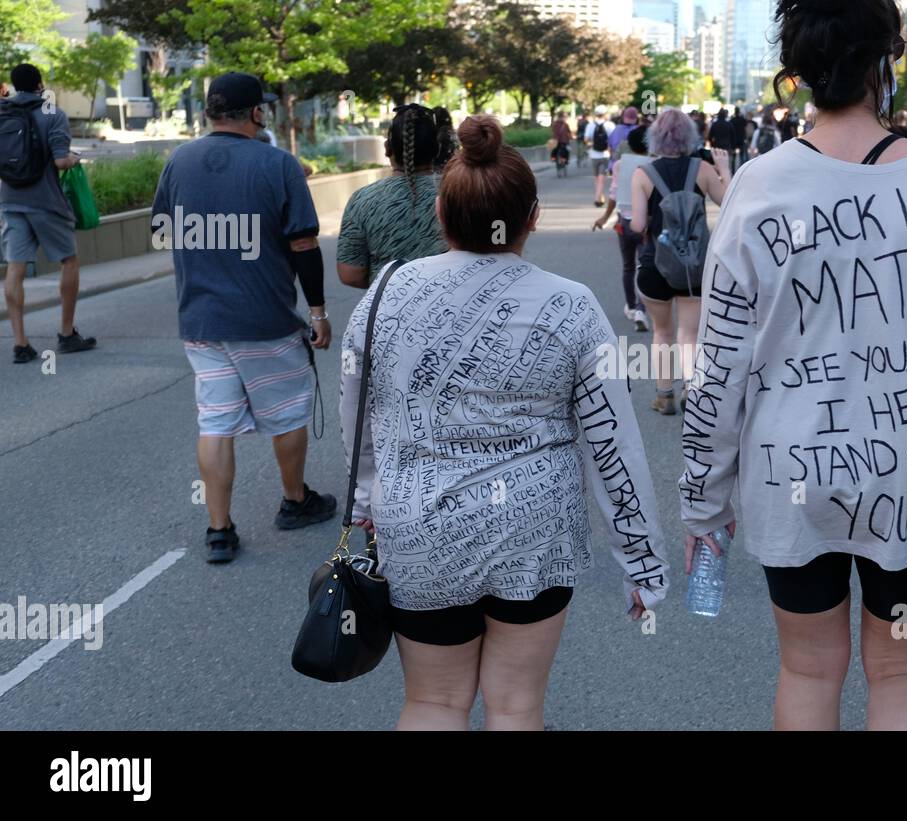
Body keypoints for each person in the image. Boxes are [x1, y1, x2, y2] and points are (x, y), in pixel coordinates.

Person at [680, 0, 907, 731]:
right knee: (904, 672)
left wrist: (703, 504)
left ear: (798, 69)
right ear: (889, 58)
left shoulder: (758, 185)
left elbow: (718, 370)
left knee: (808, 668)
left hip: (792, 467)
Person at [340, 115, 669, 730]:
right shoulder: (571, 304)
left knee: (432, 701)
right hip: (535, 526)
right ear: (533, 217)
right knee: (517, 704)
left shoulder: (385, 294)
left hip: (419, 522)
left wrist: (364, 503)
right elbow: (612, 443)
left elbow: (360, 412)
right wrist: (641, 560)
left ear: (442, 215)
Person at [152, 72, 338, 563]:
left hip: (202, 324)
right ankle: (295, 501)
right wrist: (317, 311)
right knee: (288, 412)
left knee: (214, 421)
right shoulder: (279, 164)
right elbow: (303, 246)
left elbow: (162, 232)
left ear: (209, 112)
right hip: (266, 321)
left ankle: (219, 530)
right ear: (257, 113)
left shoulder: (178, 161)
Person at [630, 108, 730, 415]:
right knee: (690, 333)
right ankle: (691, 386)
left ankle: (664, 395)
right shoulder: (701, 169)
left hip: (655, 264)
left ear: (655, 137)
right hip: (695, 265)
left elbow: (637, 225)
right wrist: (724, 168)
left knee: (662, 332)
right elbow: (731, 203)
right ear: (690, 136)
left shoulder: (643, 173)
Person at [2, 64, 96, 364]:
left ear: (14, 85)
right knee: (69, 261)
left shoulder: (2, 113)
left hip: (10, 201)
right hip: (46, 202)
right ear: (40, 84)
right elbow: (59, 161)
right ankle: (67, 334)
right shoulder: (52, 114)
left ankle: (20, 343)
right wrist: (74, 159)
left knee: (15, 269)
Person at [336, 104, 456, 288]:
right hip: (451, 308)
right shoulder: (458, 194)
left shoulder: (362, 200)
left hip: (386, 309)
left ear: (387, 148)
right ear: (437, 149)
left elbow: (350, 274)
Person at [593, 125, 652, 331]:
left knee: (628, 267)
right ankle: (641, 309)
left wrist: (603, 217)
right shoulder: (654, 164)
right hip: (646, 224)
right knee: (645, 267)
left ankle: (631, 305)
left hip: (624, 223)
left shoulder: (619, 165)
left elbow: (613, 194)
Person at [585, 105, 615, 206]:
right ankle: (598, 198)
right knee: (602, 178)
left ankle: (598, 197)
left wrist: (592, 143)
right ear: (605, 114)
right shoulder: (610, 125)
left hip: (593, 155)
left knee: (597, 178)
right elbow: (613, 140)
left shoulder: (590, 125)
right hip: (606, 155)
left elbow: (586, 139)